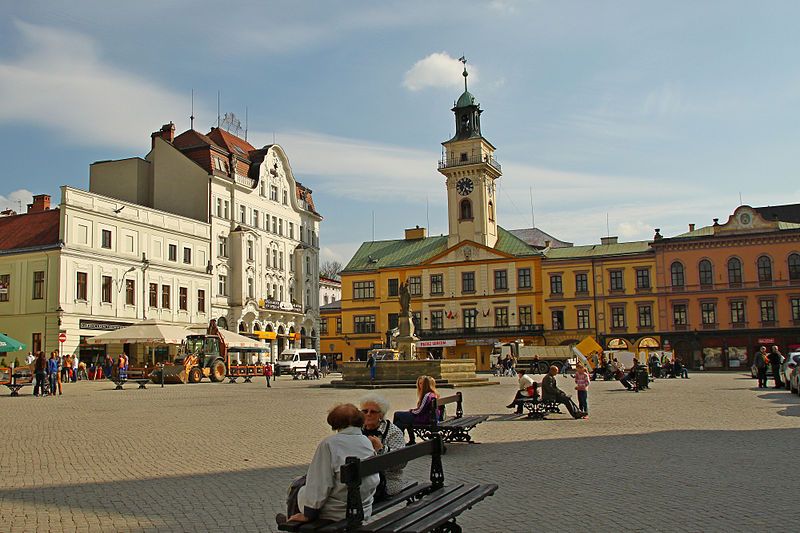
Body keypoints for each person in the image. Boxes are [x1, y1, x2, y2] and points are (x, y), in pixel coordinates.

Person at [276, 404, 379, 526]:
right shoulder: (366, 441)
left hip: (338, 511)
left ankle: (292, 522)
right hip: (364, 506)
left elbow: (320, 482)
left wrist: (309, 513)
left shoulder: (329, 444)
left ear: (335, 423)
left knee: (298, 486)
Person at [359, 393, 406, 499]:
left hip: (387, 482)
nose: (368, 414)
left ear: (381, 415)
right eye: (365, 411)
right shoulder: (357, 429)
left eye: (373, 412)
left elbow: (401, 463)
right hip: (362, 479)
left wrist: (381, 449)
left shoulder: (393, 432)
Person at [392, 376, 442, 445]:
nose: (421, 385)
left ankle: (396, 439)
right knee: (400, 423)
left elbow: (420, 411)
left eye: (423, 383)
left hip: (424, 419)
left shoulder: (427, 395)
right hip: (428, 417)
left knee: (397, 414)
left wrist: (411, 411)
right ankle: (403, 440)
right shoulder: (433, 394)